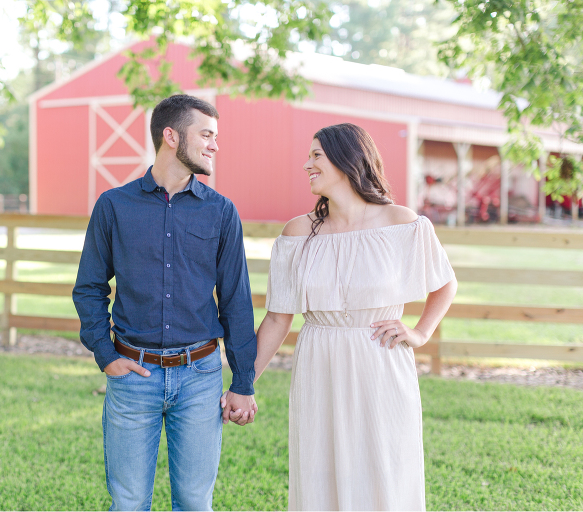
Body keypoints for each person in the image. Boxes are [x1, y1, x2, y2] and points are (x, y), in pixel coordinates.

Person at [248, 123, 457, 510]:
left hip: (381, 363)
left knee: (384, 470)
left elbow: (444, 284)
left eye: (316, 155)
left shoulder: (400, 223)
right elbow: (278, 319)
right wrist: (244, 384)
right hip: (319, 363)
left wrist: (420, 333)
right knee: (320, 472)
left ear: (346, 160)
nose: (306, 164)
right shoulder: (298, 233)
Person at [72, 94, 258, 511]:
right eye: (206, 134)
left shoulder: (221, 212)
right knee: (129, 502)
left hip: (200, 377)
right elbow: (88, 288)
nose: (214, 144)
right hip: (132, 376)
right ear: (171, 136)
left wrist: (243, 382)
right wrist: (105, 354)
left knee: (194, 503)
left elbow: (236, 302)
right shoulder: (114, 206)